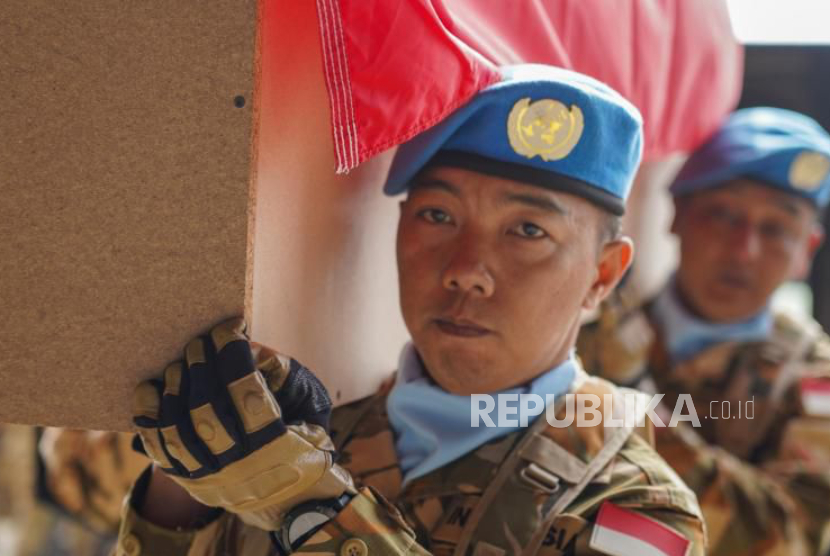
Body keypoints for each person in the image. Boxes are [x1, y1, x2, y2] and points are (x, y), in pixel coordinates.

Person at [114, 65, 706, 556]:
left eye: (527, 230)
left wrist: (302, 502)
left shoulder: (633, 506)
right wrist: (183, 486)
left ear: (602, 275)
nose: (466, 269)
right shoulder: (301, 436)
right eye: (438, 216)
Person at [578, 107, 830, 556]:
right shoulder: (587, 342)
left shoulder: (814, 379)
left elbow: (788, 537)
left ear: (806, 250)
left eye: (775, 229)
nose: (744, 251)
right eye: (721, 215)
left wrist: (635, 409)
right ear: (677, 216)